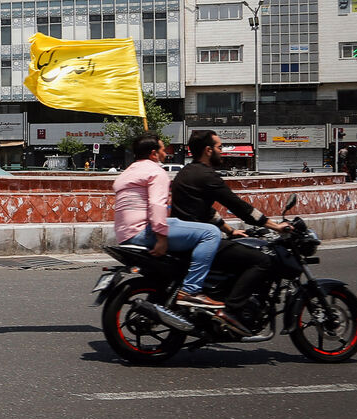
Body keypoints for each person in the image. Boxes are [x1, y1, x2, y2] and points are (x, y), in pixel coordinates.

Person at [171, 130, 290, 334]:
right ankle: (232, 312)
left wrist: (229, 230)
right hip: (199, 240)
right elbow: (238, 206)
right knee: (262, 261)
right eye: (219, 147)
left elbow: (202, 210)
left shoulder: (187, 172)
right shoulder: (207, 176)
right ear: (208, 150)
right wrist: (275, 226)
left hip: (188, 236)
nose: (222, 151)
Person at [113, 134, 234, 327]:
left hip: (126, 235)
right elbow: (157, 205)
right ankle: (191, 291)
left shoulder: (127, 173)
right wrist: (162, 237)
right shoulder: (155, 172)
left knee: (180, 223)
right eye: (162, 150)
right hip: (146, 232)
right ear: (153, 153)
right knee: (210, 233)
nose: (165, 153)